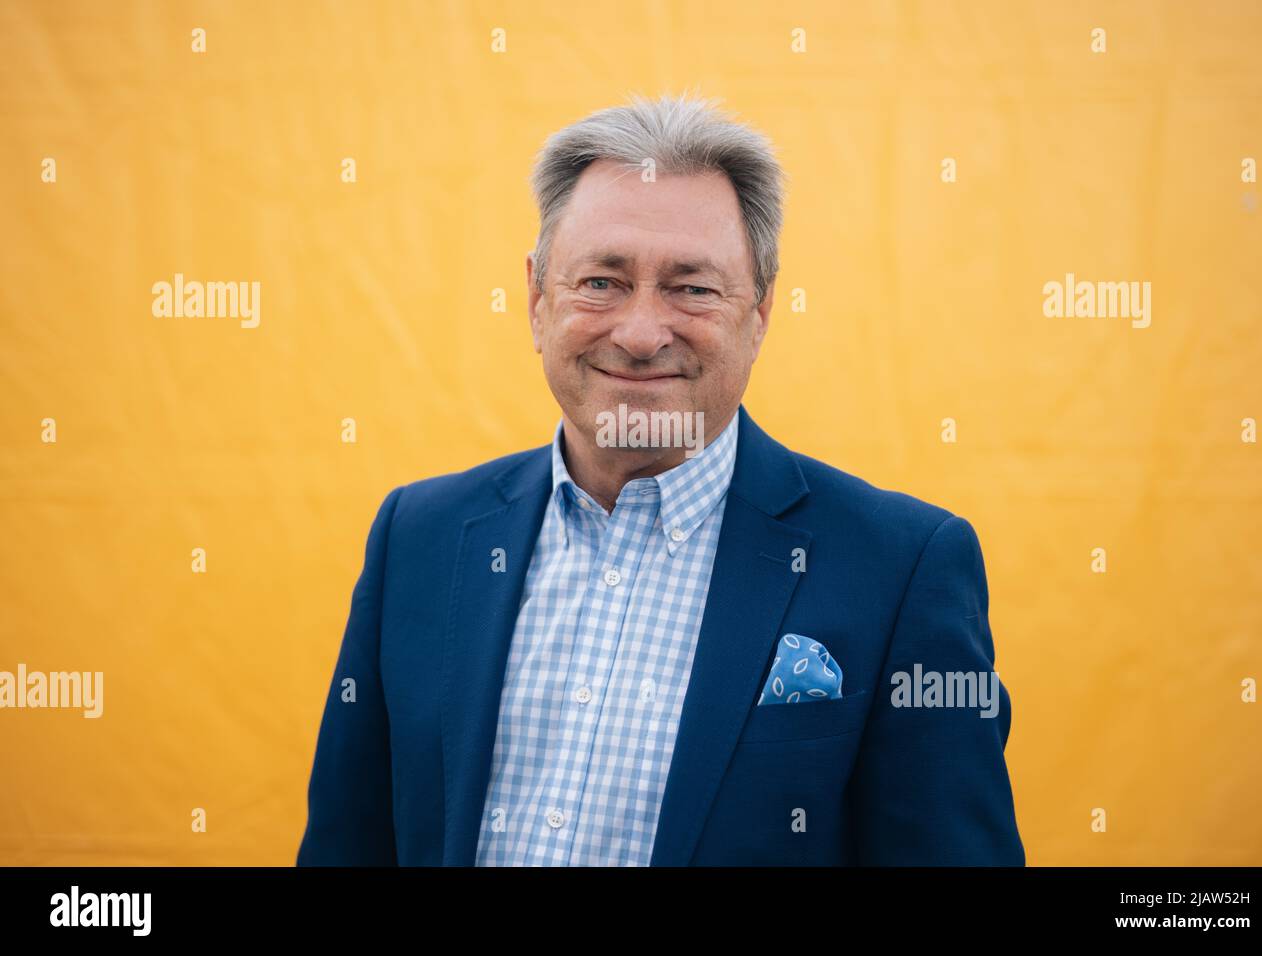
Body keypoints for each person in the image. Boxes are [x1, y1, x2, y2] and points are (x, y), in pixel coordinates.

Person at [297, 93, 1025, 866]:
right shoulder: (418, 536)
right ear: (538, 299)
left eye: (693, 288)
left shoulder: (902, 568)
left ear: (762, 312)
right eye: (602, 282)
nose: (642, 334)